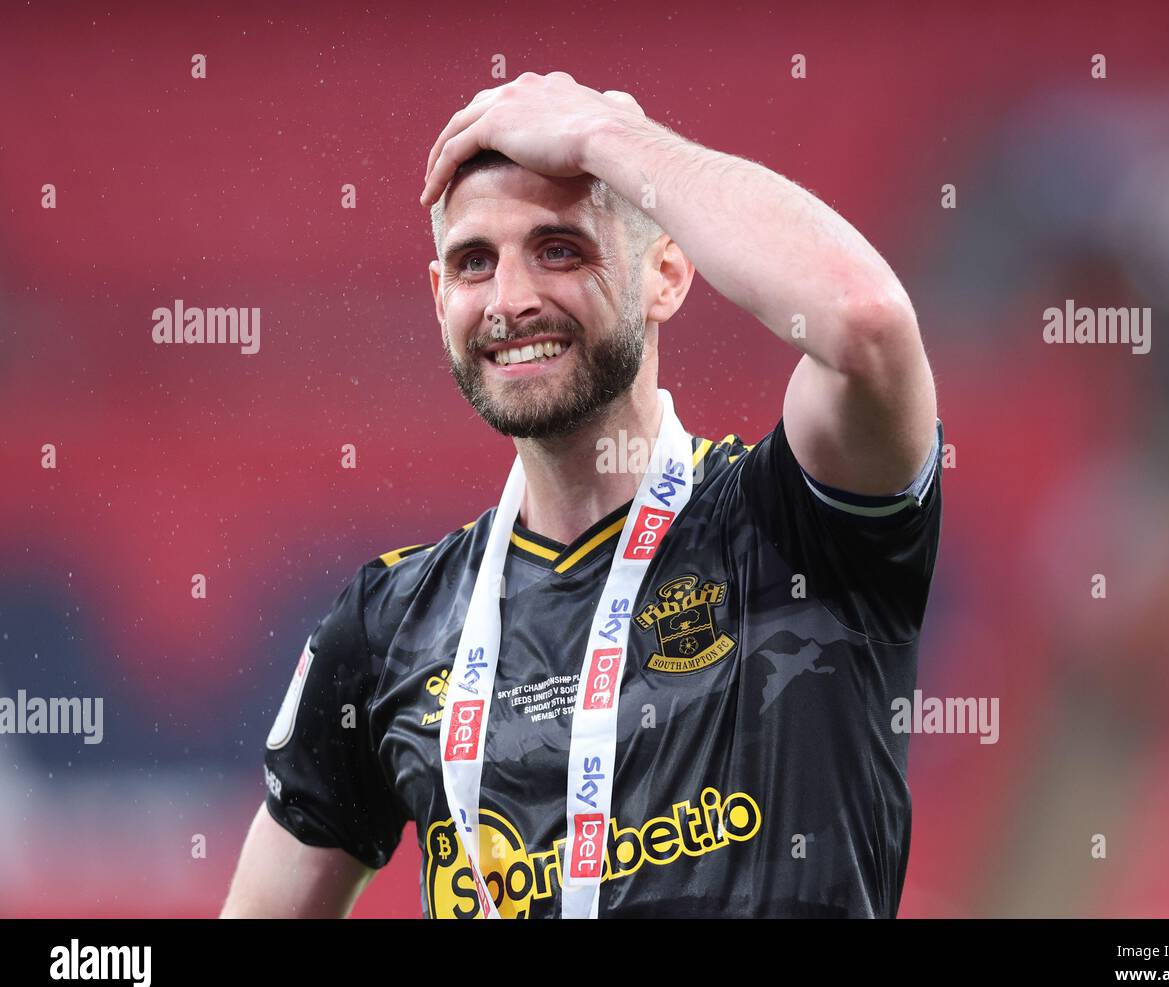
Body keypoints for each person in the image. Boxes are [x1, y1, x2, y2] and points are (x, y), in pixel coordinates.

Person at [222, 71, 942, 918]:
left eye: (560, 249)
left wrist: (606, 137)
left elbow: (864, 321)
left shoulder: (794, 527)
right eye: (473, 263)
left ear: (668, 274)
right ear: (438, 298)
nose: (511, 301)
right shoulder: (388, 625)